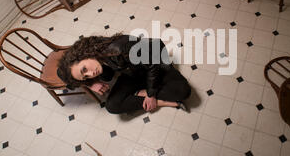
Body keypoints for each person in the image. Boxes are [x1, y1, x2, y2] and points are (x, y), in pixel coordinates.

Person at [57, 33, 191, 114]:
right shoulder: (94, 58)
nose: (91, 73)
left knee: (183, 91)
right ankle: (163, 102)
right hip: (132, 72)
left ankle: (143, 93)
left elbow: (152, 66)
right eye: (86, 76)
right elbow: (65, 77)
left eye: (84, 70)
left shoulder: (120, 48)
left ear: (83, 55)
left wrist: (150, 95)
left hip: (155, 65)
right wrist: (90, 83)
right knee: (112, 106)